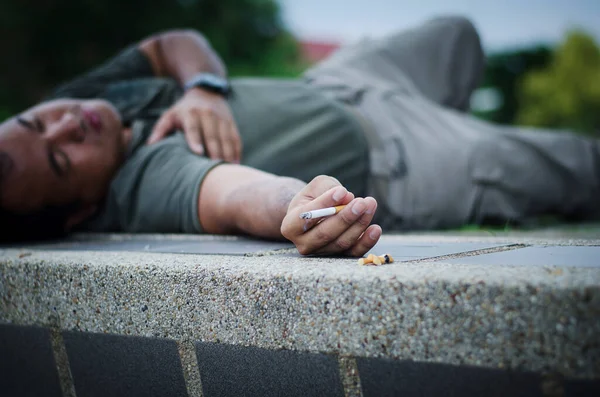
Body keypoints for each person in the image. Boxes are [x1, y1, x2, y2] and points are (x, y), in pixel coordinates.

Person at [0, 16, 598, 255]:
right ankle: (463, 149)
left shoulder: (84, 105)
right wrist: (299, 205)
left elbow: (171, 44)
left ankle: (457, 124)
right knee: (577, 163)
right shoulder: (140, 183)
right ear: (79, 212)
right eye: (60, 159)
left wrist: (203, 84)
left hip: (341, 82)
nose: (65, 124)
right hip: (402, 160)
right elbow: (234, 194)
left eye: (37, 118)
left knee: (458, 33)